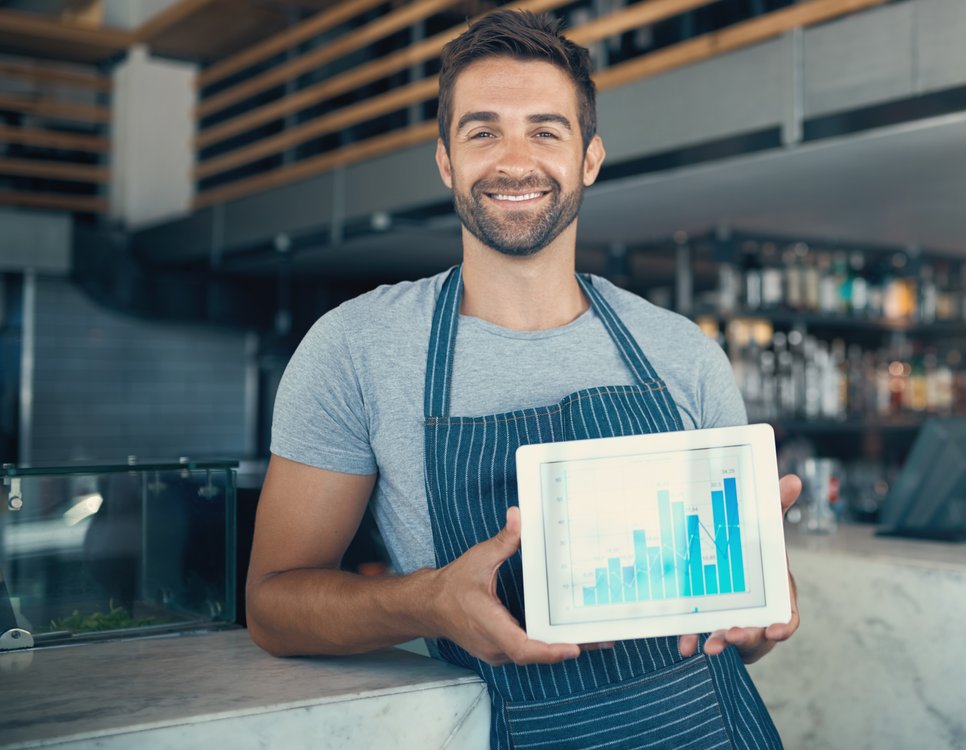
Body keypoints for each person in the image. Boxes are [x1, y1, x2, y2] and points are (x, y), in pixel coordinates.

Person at [246, 10, 800, 749]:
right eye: (483, 132)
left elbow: (741, 622)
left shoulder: (680, 352)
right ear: (446, 161)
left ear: (589, 158)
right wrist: (429, 602)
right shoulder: (356, 348)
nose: (514, 162)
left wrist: (760, 608)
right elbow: (274, 606)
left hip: (711, 726)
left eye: (546, 130)